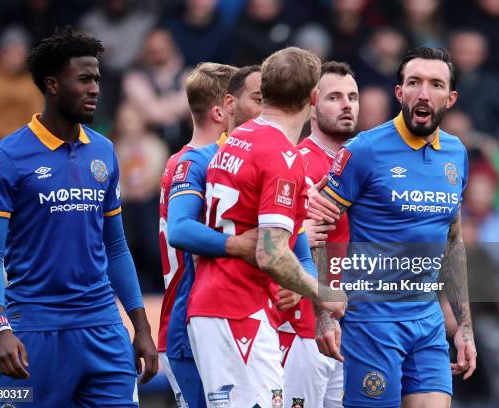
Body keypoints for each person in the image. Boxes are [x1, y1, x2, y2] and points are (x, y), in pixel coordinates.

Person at [0, 27, 158, 407]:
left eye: (97, 79)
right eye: (84, 79)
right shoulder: (8, 156)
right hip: (35, 331)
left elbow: (116, 247)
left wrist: (140, 326)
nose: (95, 89)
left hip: (103, 327)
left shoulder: (105, 152)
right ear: (53, 85)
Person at [317, 47, 476, 407]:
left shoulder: (456, 154)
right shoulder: (364, 151)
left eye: (435, 84)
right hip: (372, 324)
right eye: (414, 82)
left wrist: (464, 326)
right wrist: (324, 311)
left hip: (427, 322)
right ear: (399, 92)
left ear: (450, 98)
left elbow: (453, 242)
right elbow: (317, 229)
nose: (423, 93)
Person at [186, 47, 339, 407]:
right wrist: (323, 293)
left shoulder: (238, 138)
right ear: (313, 98)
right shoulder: (280, 156)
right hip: (237, 308)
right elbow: (270, 253)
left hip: (221, 303)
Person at [157, 61, 238, 406]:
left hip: (212, 319)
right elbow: (181, 231)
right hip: (185, 324)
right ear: (221, 111)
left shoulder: (218, 159)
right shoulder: (190, 164)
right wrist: (242, 245)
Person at [280, 61, 359, 408]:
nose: (347, 105)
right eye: (335, 97)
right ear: (311, 104)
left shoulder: (361, 162)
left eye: (353, 97)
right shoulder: (297, 162)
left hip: (351, 323)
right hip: (304, 326)